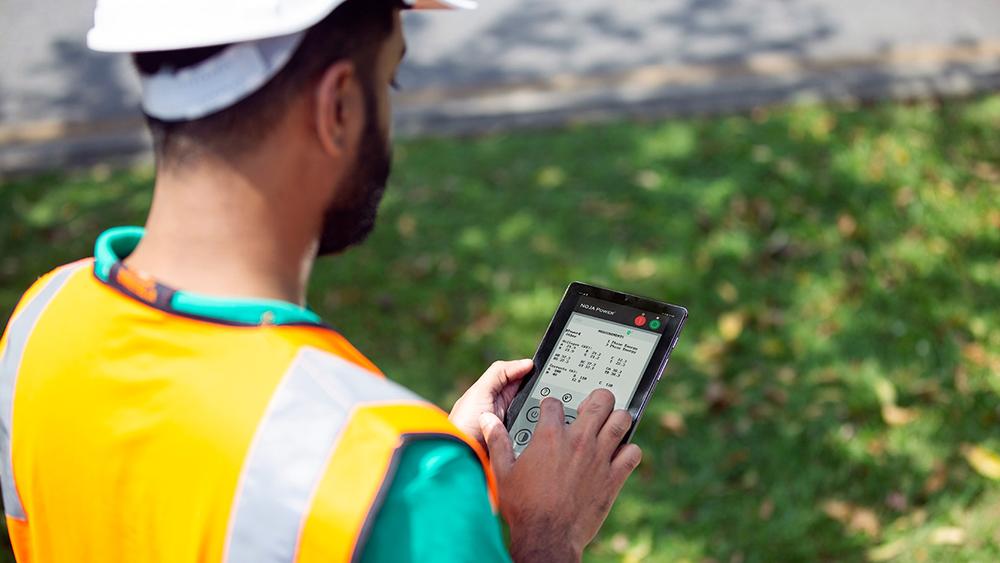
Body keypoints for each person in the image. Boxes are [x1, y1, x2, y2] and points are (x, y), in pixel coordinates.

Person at [0, 0, 643, 560]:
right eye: (388, 80)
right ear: (336, 107)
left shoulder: (40, 323)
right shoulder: (402, 487)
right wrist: (540, 540)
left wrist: (412, 474)